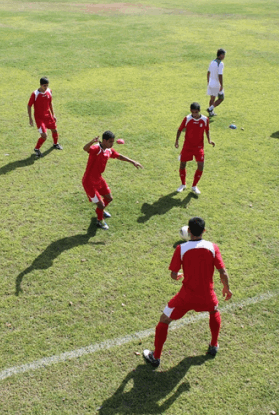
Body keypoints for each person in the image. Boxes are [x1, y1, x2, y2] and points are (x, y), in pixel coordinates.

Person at [143, 217, 232, 368]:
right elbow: (222, 271)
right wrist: (227, 288)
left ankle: (156, 357)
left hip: (186, 297)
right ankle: (213, 345)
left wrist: (176, 276)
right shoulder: (213, 247)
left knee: (164, 319)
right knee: (213, 310)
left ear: (189, 231)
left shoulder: (181, 249)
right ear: (204, 231)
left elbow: (173, 274)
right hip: (207, 295)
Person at [82, 131, 143, 230]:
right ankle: (100, 220)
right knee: (101, 204)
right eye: (110, 142)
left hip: (99, 179)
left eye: (113, 142)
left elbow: (119, 156)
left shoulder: (108, 150)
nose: (112, 144)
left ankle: (99, 211)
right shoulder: (96, 148)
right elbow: (85, 148)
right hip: (89, 182)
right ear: (104, 141)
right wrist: (91, 142)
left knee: (109, 198)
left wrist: (132, 161)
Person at [175, 102, 215, 196]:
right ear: (190, 111)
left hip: (199, 147)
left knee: (201, 165)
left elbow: (207, 130)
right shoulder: (187, 118)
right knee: (182, 165)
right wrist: (177, 141)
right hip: (187, 146)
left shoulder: (205, 119)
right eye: (193, 112)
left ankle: (194, 186)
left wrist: (209, 140)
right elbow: (180, 129)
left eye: (196, 112)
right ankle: (183, 184)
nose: (194, 114)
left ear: (199, 111)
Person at [27, 77, 61, 158]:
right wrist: (30, 118)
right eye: (44, 86)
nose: (46, 87)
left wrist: (53, 114)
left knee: (55, 130)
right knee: (44, 135)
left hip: (48, 116)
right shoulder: (35, 94)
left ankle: (55, 144)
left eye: (47, 85)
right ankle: (36, 149)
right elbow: (29, 106)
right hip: (39, 118)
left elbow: (50, 103)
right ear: (40, 85)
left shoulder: (49, 91)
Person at [206, 49, 226, 117]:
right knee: (221, 98)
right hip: (216, 84)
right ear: (221, 55)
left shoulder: (212, 62)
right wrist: (221, 85)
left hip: (211, 83)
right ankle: (210, 108)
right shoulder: (220, 63)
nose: (224, 56)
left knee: (212, 99)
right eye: (223, 55)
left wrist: (208, 81)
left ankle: (211, 113)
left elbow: (208, 72)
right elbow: (220, 75)